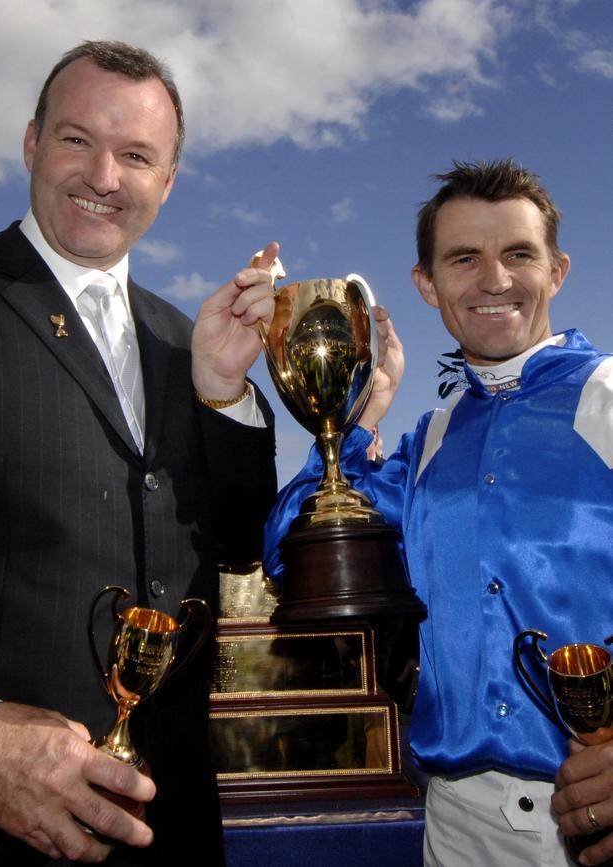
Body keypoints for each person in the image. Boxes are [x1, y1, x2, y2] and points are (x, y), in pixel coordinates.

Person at [0, 40, 278, 865]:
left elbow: (242, 544)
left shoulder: (187, 339)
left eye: (136, 155)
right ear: (32, 142)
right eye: (77, 140)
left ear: (167, 181)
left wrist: (223, 394)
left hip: (170, 826)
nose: (104, 176)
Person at [263, 159, 613, 866]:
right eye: (464, 258)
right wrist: (359, 416)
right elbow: (292, 554)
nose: (494, 279)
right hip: (455, 824)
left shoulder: (608, 397)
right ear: (428, 284)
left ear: (559, 270)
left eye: (519, 253)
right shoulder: (428, 439)